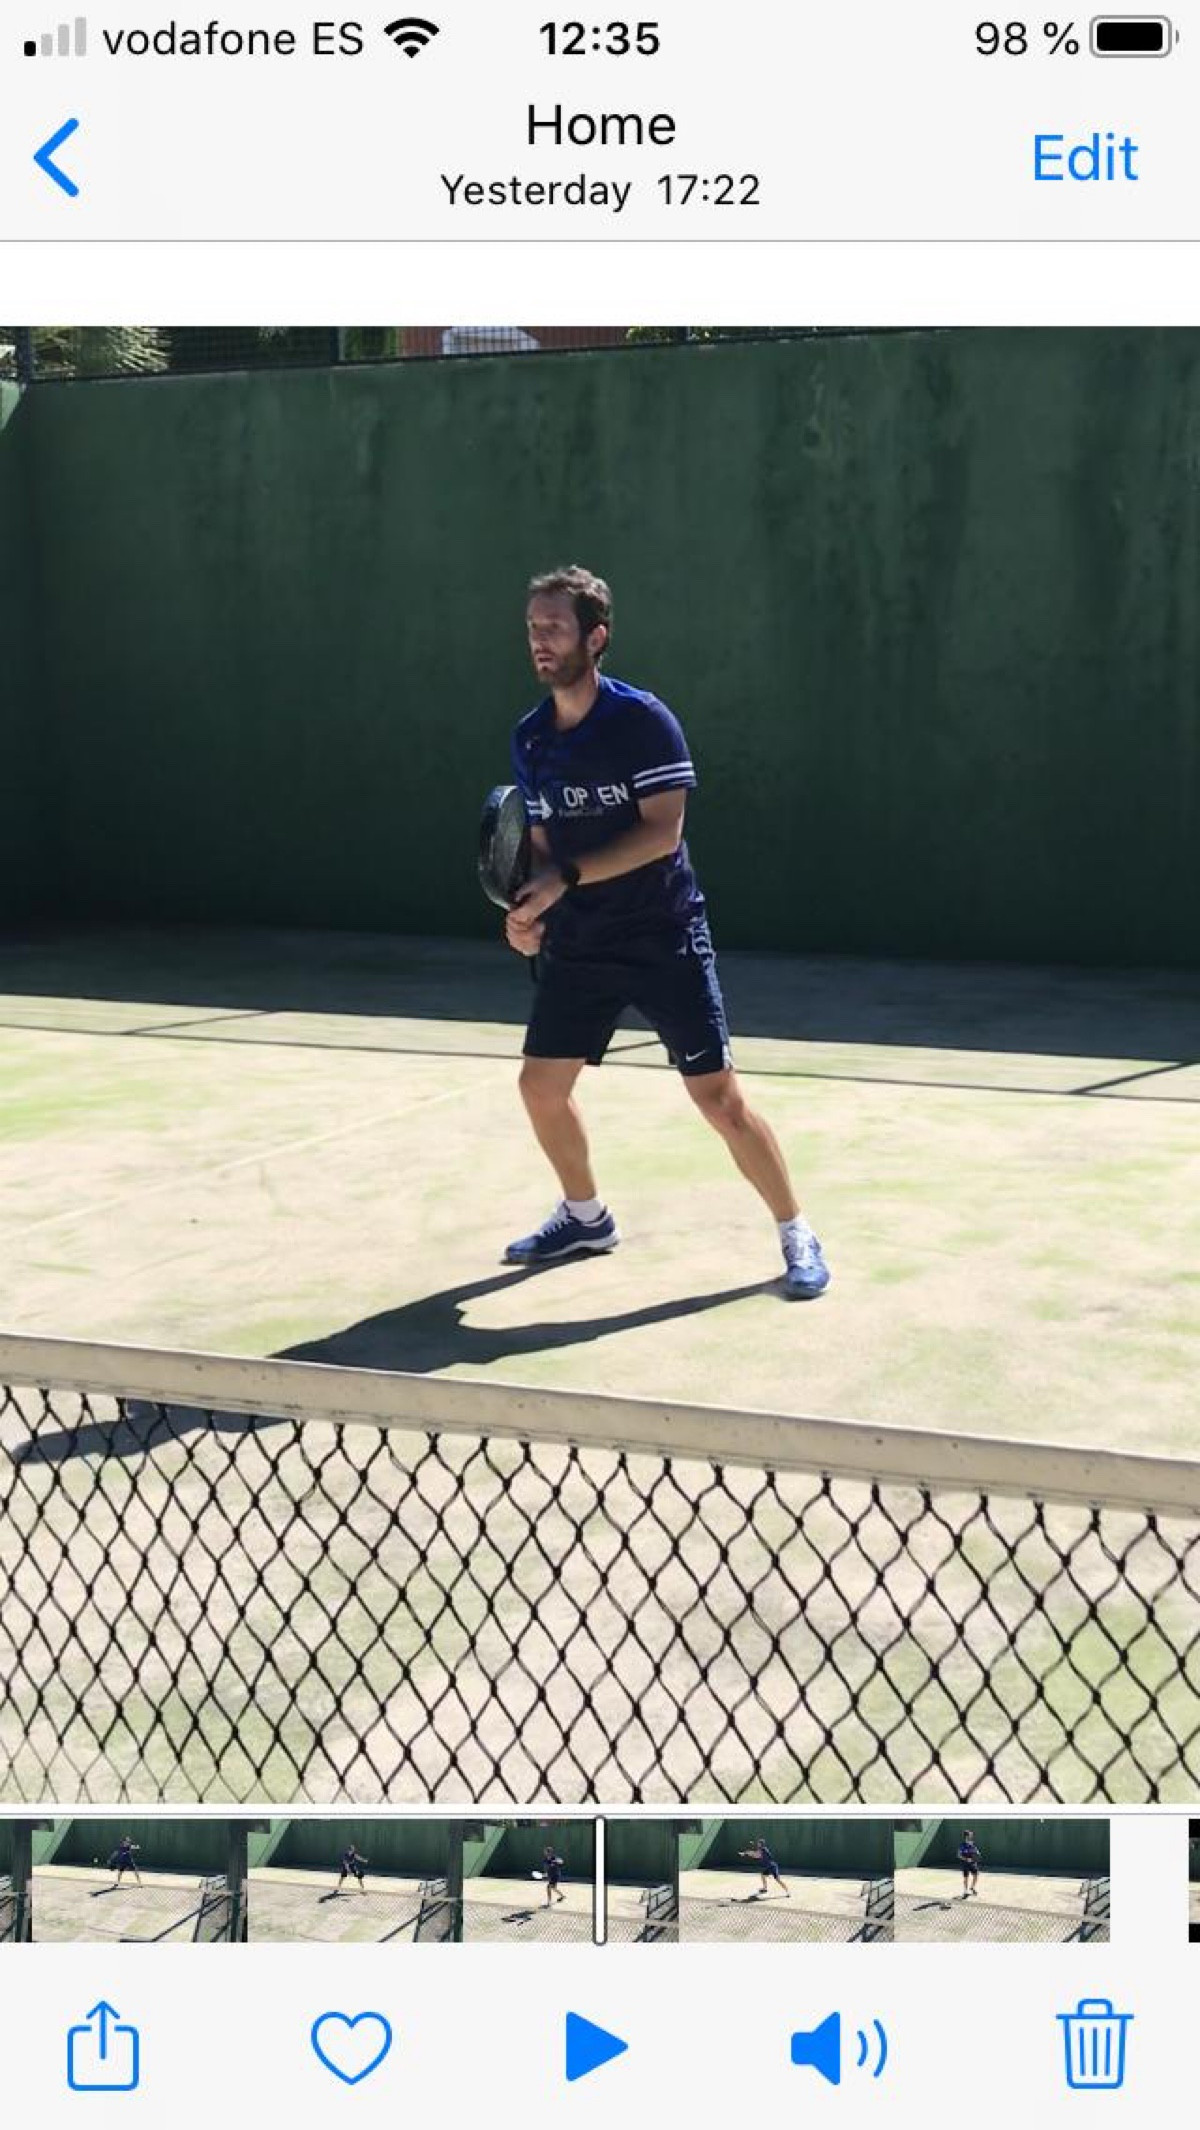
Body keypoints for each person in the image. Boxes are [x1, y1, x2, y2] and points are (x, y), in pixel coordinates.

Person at [504, 565, 830, 1299]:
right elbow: (546, 849)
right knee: (540, 1088)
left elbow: (661, 834)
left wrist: (564, 879)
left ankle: (795, 1230)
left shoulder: (643, 722)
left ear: (596, 637)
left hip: (664, 936)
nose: (540, 641)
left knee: (719, 1101)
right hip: (582, 943)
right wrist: (533, 914)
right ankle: (585, 1218)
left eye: (554, 627)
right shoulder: (531, 737)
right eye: (532, 628)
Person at [957, 1831, 981, 1898]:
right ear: (966, 1836)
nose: (971, 1836)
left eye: (971, 1835)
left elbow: (977, 1852)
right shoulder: (962, 1845)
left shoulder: (972, 1844)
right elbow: (959, 1855)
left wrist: (977, 1853)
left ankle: (972, 1887)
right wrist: (966, 1859)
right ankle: (965, 1891)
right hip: (965, 1864)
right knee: (966, 1878)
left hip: (973, 1863)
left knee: (976, 1875)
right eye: (970, 1835)